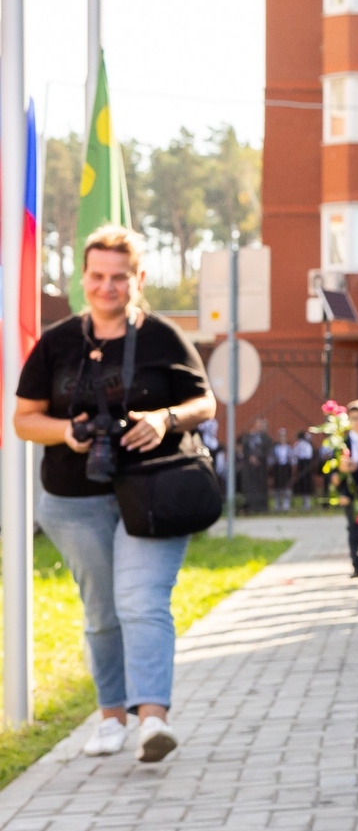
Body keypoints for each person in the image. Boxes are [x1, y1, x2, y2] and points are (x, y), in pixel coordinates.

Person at [14, 224, 219, 764]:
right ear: (83, 277)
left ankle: (153, 719)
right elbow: (23, 419)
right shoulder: (57, 342)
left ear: (139, 278)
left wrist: (164, 417)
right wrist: (66, 433)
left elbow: (206, 404)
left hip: (155, 491)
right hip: (74, 499)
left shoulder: (162, 337)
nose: (108, 287)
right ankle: (111, 717)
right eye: (98, 276)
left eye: (120, 277)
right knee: (102, 611)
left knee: (141, 600)